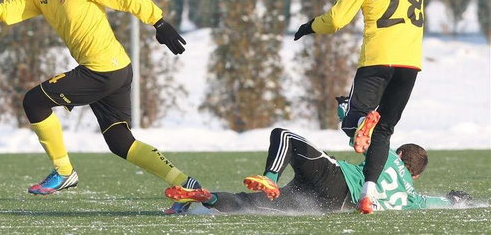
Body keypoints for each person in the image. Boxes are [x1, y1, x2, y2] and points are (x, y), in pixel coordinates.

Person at [0, 0, 198, 214]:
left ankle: (64, 171)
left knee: (34, 101)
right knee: (120, 142)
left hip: (102, 71)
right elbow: (8, 13)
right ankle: (186, 185)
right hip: (114, 70)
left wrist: (158, 21)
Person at [292, 0, 448, 213]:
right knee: (385, 131)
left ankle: (364, 121)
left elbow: (336, 19)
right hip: (409, 64)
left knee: (352, 122)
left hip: (377, 60)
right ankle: (368, 193)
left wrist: (311, 26)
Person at [165, 127, 471, 214]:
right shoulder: (412, 197)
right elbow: (440, 202)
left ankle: (268, 179)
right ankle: (210, 199)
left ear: (399, 153)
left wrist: (345, 110)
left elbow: (358, 133)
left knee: (283, 136)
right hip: (334, 204)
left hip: (337, 180)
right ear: (415, 175)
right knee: (250, 205)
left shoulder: (386, 152)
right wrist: (456, 199)